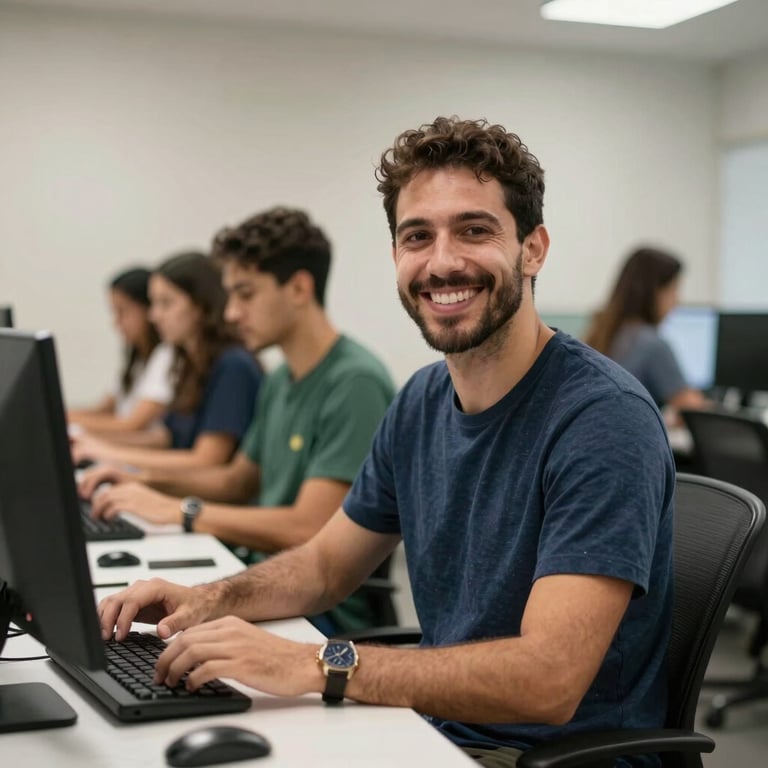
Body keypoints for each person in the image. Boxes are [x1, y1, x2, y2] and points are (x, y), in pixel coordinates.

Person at [97, 118, 674, 768]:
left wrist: (315, 663)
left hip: (542, 755)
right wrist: (209, 599)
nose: (442, 262)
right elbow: (324, 567)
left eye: (474, 230)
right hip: (434, 727)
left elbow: (549, 679)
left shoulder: (602, 418)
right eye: (417, 236)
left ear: (533, 249)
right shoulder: (421, 400)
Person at [79, 207, 396, 634]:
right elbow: (236, 481)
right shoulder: (281, 378)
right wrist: (143, 480)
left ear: (299, 288)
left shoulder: (354, 382)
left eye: (245, 294)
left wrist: (182, 511)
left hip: (319, 615)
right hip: (261, 578)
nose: (230, 313)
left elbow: (308, 527)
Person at [71, 252, 262, 471]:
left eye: (166, 303)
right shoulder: (189, 364)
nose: (154, 316)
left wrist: (109, 454)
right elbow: (165, 437)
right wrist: (94, 445)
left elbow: (206, 461)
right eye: (154, 304)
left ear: (201, 305)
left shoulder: (233, 366)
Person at [584, 246, 709, 418]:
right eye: (673, 290)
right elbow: (692, 409)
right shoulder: (650, 344)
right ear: (655, 293)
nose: (677, 301)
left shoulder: (601, 332)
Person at [68, 267, 174, 434]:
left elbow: (132, 425)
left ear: (147, 308)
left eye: (122, 311)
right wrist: (63, 414)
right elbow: (105, 409)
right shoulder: (137, 358)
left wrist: (64, 418)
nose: (116, 322)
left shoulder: (167, 356)